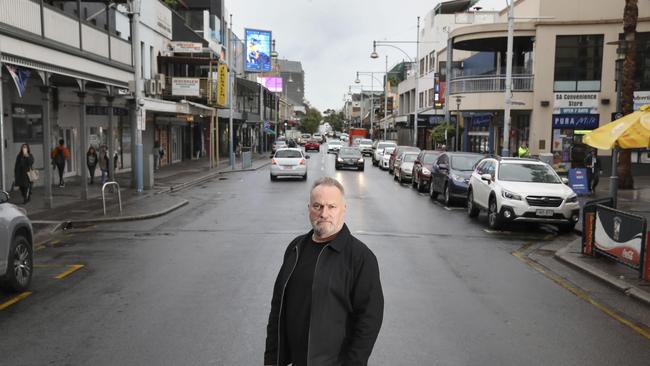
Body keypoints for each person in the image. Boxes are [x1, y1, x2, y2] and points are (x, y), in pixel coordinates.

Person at [264, 177, 384, 366]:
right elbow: (277, 310)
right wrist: (271, 360)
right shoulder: (295, 248)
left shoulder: (360, 257)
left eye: (331, 207)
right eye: (317, 206)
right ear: (309, 209)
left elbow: (369, 321)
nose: (324, 213)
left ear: (343, 209)